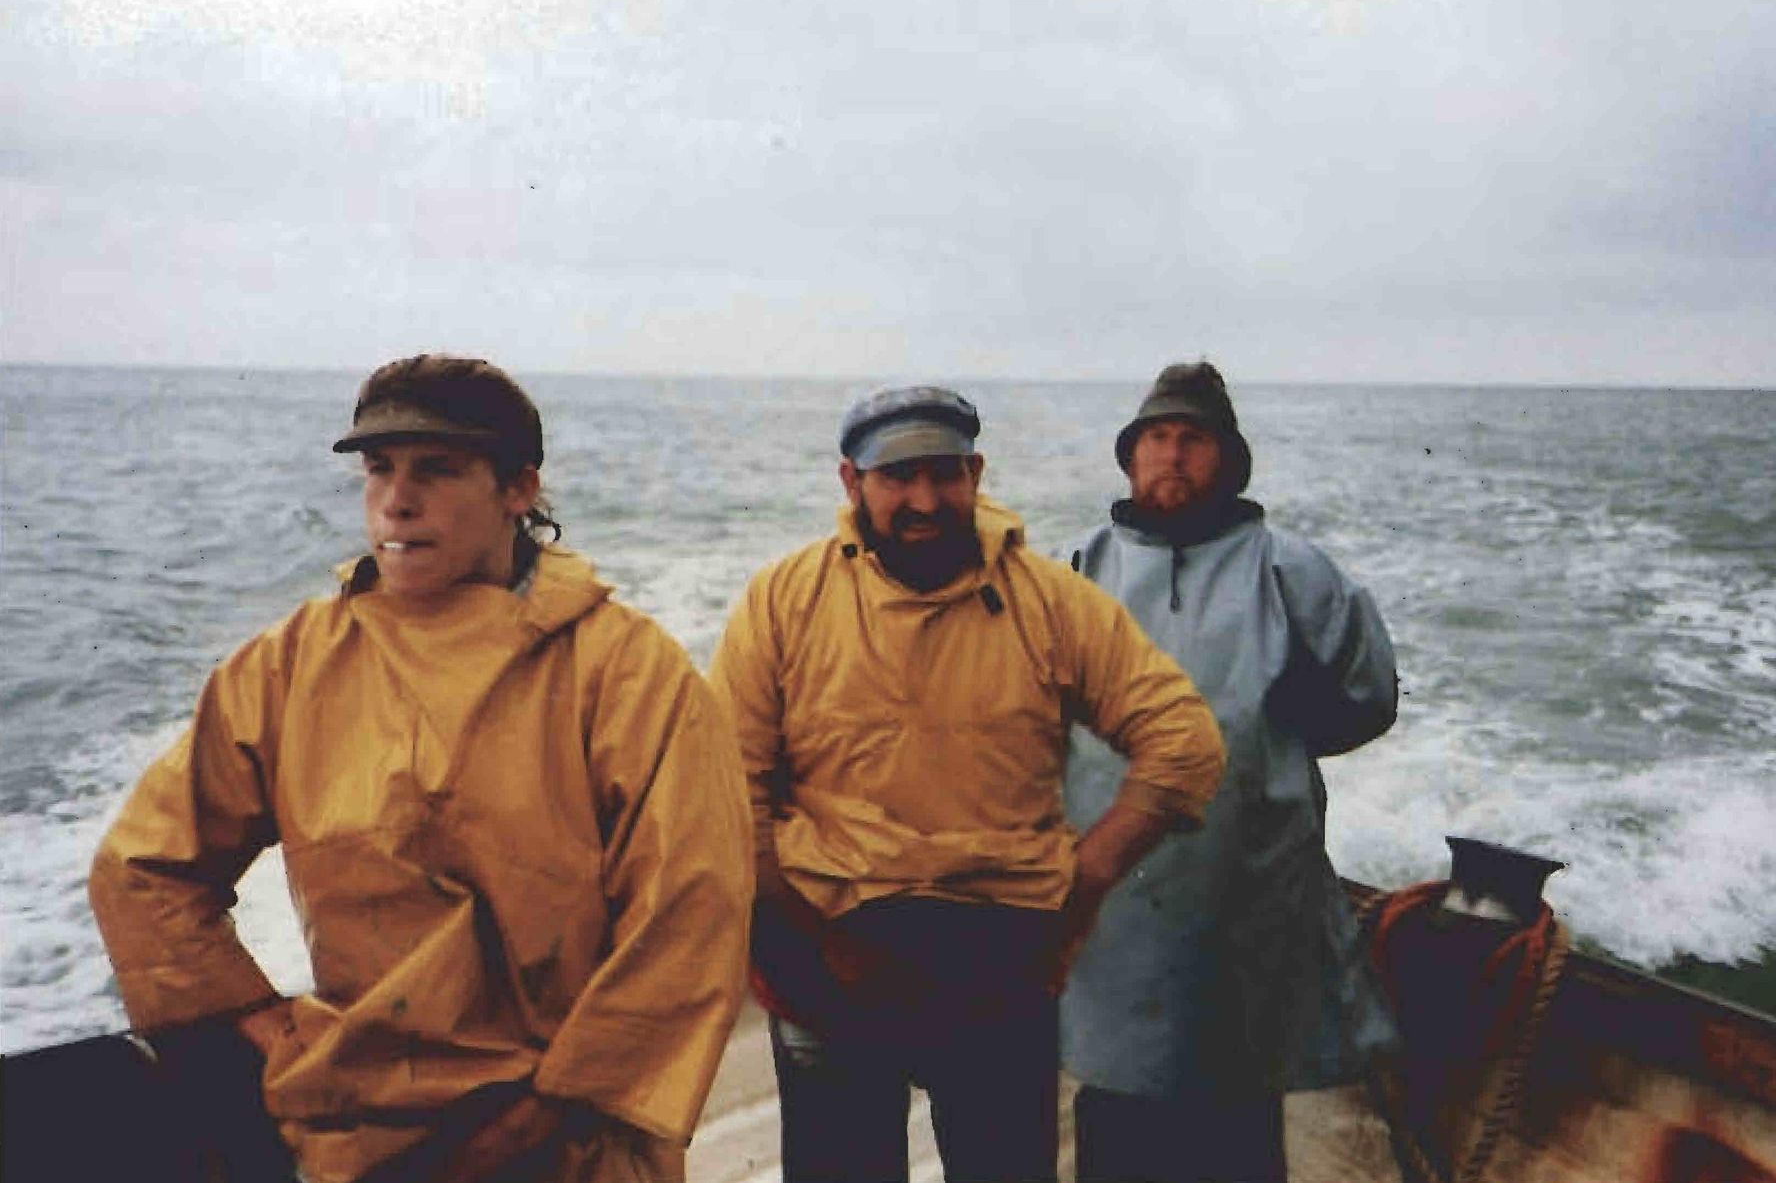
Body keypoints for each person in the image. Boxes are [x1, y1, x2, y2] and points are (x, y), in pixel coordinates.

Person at [88, 354, 753, 1183]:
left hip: (577, 1133)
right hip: (364, 1129)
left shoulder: (627, 670)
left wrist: (551, 1107)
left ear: (519, 489)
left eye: (436, 470)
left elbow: (695, 907)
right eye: (379, 468)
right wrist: (263, 1022)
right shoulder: (289, 665)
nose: (396, 500)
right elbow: (141, 868)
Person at [708, 385, 1225, 1183]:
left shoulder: (1049, 601)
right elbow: (724, 786)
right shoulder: (783, 599)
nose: (924, 500)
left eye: (944, 474)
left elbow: (1184, 741)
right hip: (828, 948)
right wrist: (803, 936)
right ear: (852, 482)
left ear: (975, 474)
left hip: (999, 956)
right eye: (897, 476)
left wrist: (1088, 880)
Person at [1059, 360, 1401, 1183]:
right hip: (1114, 896)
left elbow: (1367, 700)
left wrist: (1266, 738)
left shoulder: (1292, 572)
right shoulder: (1076, 569)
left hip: (1248, 891)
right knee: (1117, 1100)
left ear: (1230, 461)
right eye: (1155, 437)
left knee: (1238, 1108)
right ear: (1130, 457)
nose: (1172, 455)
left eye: (1194, 439)